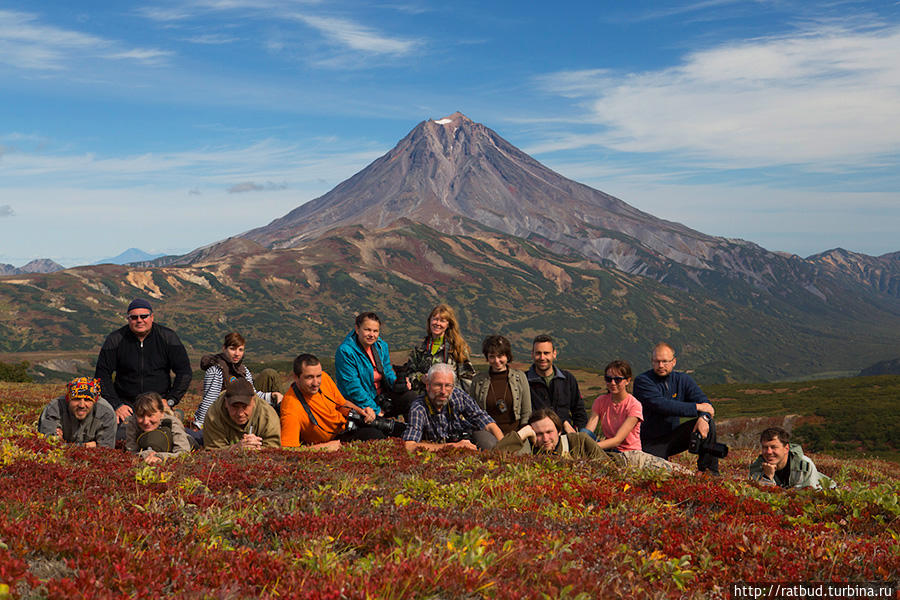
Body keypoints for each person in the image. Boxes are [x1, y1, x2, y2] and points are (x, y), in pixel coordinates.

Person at [94, 299, 192, 436]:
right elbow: (102, 375)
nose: (139, 320)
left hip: (158, 404)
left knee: (169, 436)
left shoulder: (168, 337)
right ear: (128, 319)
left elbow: (184, 371)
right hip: (126, 405)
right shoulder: (115, 339)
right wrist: (116, 405)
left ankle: (172, 417)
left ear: (152, 317)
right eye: (134, 317)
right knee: (114, 436)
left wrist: (171, 400)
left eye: (144, 316)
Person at [632, 342, 724, 474]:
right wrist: (697, 407)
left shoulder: (683, 379)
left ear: (674, 362)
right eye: (657, 361)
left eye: (665, 361)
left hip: (673, 436)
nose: (661, 366)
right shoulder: (643, 381)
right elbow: (661, 405)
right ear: (652, 362)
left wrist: (704, 417)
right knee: (659, 474)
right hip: (649, 442)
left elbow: (705, 403)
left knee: (708, 423)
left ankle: (709, 472)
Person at [281, 353, 388, 449]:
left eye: (318, 376)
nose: (316, 382)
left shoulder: (325, 379)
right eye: (309, 377)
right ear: (296, 377)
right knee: (375, 436)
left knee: (389, 428)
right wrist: (324, 447)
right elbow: (288, 450)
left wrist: (361, 412)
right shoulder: (291, 406)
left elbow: (342, 404)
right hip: (333, 441)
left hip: (346, 428)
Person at [402, 363, 503, 452]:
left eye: (448, 386)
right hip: (439, 451)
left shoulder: (458, 395)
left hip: (466, 441)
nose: (443, 391)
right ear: (428, 385)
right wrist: (454, 446)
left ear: (453, 386)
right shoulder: (419, 408)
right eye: (438, 385)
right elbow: (409, 446)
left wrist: (504, 447)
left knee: (487, 441)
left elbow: (486, 421)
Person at [194, 332, 283, 429]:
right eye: (232, 349)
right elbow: (209, 401)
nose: (237, 354)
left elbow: (253, 394)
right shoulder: (216, 370)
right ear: (224, 348)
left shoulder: (243, 370)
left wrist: (272, 396)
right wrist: (200, 425)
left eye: (240, 350)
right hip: (224, 417)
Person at [334, 311, 414, 418]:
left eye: (375, 331)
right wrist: (376, 410)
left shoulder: (381, 346)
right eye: (367, 330)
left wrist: (397, 383)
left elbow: (387, 370)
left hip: (381, 397)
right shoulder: (345, 352)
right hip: (360, 405)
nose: (372, 335)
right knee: (377, 432)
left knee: (411, 398)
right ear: (357, 329)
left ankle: (414, 431)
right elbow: (352, 388)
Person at [403, 303, 476, 395]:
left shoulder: (457, 347)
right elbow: (408, 374)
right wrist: (421, 378)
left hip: (450, 398)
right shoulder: (420, 348)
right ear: (429, 321)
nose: (437, 323)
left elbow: (467, 378)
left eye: (442, 321)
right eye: (435, 319)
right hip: (424, 398)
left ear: (448, 324)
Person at [496, 409, 616, 461]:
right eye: (539, 434)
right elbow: (493, 457)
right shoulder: (528, 449)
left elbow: (609, 468)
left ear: (559, 431)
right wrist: (522, 433)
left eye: (549, 432)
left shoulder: (579, 441)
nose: (545, 439)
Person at [470, 335, 532, 435]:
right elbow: (472, 412)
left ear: (507, 356)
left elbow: (526, 412)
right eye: (492, 356)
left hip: (516, 433)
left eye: (500, 356)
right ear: (487, 358)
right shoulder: (478, 381)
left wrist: (522, 434)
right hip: (487, 435)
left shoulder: (520, 378)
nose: (496, 361)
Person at [524, 335, 588, 431]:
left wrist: (579, 434)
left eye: (546, 353)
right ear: (532, 354)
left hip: (566, 435)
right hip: (538, 436)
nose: (542, 357)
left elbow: (579, 412)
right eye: (538, 353)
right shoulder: (524, 380)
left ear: (554, 354)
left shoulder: (568, 379)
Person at [37, 377, 116, 448]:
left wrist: (62, 444)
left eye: (87, 400)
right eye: (76, 399)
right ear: (68, 400)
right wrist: (85, 446)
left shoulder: (106, 413)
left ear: (95, 401)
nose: (82, 405)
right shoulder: (54, 408)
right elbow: (47, 445)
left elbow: (106, 450)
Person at [202, 378, 281, 450]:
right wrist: (236, 448)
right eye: (234, 407)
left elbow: (274, 447)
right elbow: (212, 450)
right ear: (226, 402)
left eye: (245, 407)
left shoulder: (268, 415)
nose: (240, 414)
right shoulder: (213, 416)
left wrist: (257, 448)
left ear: (253, 401)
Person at [583, 360, 643, 452]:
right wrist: (582, 441)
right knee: (584, 433)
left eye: (617, 380)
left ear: (627, 381)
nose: (612, 383)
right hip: (608, 448)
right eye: (608, 379)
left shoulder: (634, 405)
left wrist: (589, 446)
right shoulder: (600, 401)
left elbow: (617, 440)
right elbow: (589, 430)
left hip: (627, 452)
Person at [749, 427, 833, 490]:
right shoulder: (756, 468)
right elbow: (761, 497)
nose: (769, 452)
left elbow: (808, 496)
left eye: (774, 447)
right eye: (765, 447)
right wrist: (768, 478)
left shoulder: (804, 465)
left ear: (786, 448)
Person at [125, 392, 192, 463]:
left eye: (150, 415)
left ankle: (178, 415)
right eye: (141, 416)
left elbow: (183, 452)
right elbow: (131, 451)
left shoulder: (173, 423)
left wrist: (159, 457)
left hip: (188, 438)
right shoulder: (133, 422)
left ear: (162, 413)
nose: (145, 422)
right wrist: (145, 454)